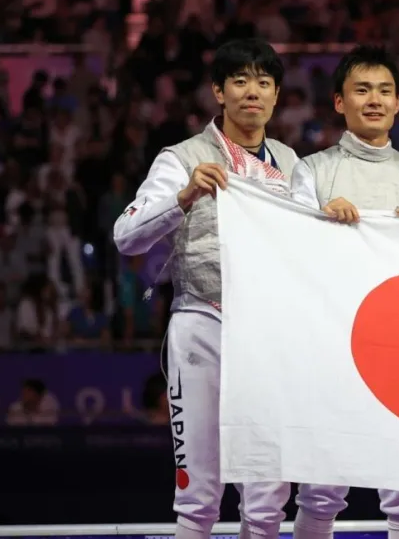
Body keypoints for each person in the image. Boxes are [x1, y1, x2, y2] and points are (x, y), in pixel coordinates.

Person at [114, 38, 297, 539]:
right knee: (198, 499)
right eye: (239, 80)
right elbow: (125, 236)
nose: (251, 92)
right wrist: (185, 195)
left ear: (276, 95)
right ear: (219, 91)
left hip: (267, 335)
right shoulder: (182, 157)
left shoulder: (291, 163)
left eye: (263, 82)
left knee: (266, 501)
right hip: (202, 324)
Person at [290, 45, 399, 539]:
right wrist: (320, 219)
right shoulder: (312, 171)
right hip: (332, 343)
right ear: (339, 102)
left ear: (398, 103)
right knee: (320, 491)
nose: (374, 100)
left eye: (384, 91)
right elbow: (290, 253)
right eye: (361, 90)